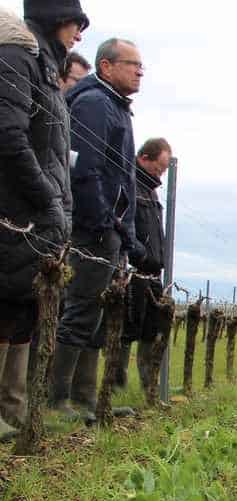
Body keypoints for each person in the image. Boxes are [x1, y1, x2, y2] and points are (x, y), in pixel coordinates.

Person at [0, 0, 89, 442]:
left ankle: (14, 416)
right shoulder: (18, 57)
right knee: (5, 306)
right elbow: (9, 136)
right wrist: (47, 200)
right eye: (77, 22)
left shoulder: (45, 68)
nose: (80, 33)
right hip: (16, 214)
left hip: (34, 213)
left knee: (21, 313)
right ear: (57, 18)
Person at [51, 37, 143, 422]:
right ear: (106, 67)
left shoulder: (115, 107)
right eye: (132, 64)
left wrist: (125, 232)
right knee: (81, 308)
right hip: (93, 229)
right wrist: (107, 222)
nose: (139, 71)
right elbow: (85, 171)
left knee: (95, 313)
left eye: (142, 66)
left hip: (110, 230)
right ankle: (58, 400)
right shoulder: (94, 104)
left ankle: (85, 397)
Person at [117, 137, 172, 393]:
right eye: (158, 168)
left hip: (153, 273)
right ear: (144, 158)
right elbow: (124, 224)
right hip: (134, 270)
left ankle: (146, 387)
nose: (159, 174)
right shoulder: (130, 184)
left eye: (163, 171)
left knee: (151, 330)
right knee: (127, 328)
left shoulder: (150, 190)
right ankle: (116, 385)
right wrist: (137, 252)